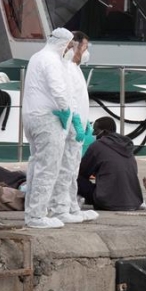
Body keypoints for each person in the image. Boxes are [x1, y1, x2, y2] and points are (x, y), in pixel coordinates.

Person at [21, 27, 74, 229]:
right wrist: (66, 110)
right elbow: (57, 88)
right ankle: (37, 215)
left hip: (31, 117)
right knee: (48, 167)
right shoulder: (51, 60)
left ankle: (31, 212)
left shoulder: (36, 57)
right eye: (68, 46)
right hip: (47, 118)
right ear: (63, 44)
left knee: (35, 165)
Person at [51, 31, 99, 223]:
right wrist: (77, 123)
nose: (85, 53)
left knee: (73, 169)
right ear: (75, 47)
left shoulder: (76, 69)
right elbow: (70, 100)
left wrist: (85, 123)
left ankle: (71, 205)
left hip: (77, 127)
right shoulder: (68, 69)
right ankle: (60, 208)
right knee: (66, 169)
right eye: (84, 48)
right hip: (71, 127)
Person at [78, 116, 144, 211]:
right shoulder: (127, 146)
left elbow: (82, 171)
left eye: (95, 130)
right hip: (134, 201)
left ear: (104, 132)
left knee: (72, 175)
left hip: (107, 201)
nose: (93, 133)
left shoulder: (97, 146)